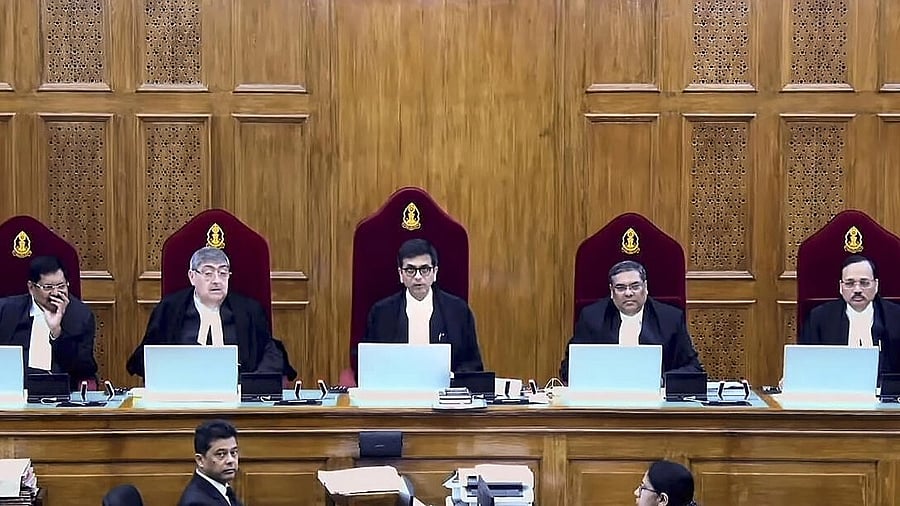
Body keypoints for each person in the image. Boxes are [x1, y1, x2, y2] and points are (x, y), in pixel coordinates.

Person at [126, 247, 294, 379]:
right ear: (192, 276)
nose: (216, 280)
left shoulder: (248, 310)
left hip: (238, 397)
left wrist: (252, 386)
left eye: (223, 273)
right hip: (182, 397)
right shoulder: (171, 308)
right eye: (208, 273)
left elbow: (269, 350)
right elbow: (150, 355)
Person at [559, 260, 703, 381]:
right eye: (620, 288)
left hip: (657, 403)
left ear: (645, 287)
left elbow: (693, 368)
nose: (628, 293)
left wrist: (660, 382)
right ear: (611, 291)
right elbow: (569, 368)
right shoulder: (592, 318)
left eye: (635, 286)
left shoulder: (670, 319)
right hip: (606, 400)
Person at [359, 238, 484, 373]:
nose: (418, 277)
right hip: (397, 389)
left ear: (434, 272)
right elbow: (370, 364)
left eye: (424, 269)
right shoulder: (381, 313)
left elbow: (473, 365)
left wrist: (452, 379)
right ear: (401, 274)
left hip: (444, 390)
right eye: (410, 270)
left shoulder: (458, 311)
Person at [0, 255, 97, 387]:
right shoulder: (6, 311)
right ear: (31, 287)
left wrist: (56, 333)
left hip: (61, 393)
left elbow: (84, 369)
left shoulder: (80, 316)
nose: (56, 293)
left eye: (61, 286)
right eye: (48, 287)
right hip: (12, 390)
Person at [799, 254, 900, 374]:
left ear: (876, 285)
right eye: (850, 283)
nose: (857, 289)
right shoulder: (819, 318)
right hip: (835, 389)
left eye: (864, 283)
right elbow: (807, 364)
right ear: (841, 287)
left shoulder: (896, 316)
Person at [178, 419, 243, 506]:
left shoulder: (223, 489)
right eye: (221, 454)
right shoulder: (196, 503)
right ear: (200, 460)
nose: (230, 460)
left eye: (233, 452)